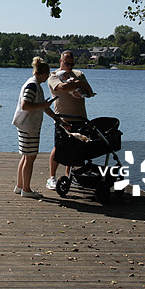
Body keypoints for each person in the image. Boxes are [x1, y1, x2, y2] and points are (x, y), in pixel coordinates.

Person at [46, 50, 96, 190]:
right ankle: (51, 177)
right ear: (61, 61)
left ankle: (69, 176)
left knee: (75, 148)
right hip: (63, 119)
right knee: (59, 147)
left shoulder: (79, 74)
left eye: (72, 64)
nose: (69, 66)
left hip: (80, 118)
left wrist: (80, 83)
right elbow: (62, 88)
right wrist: (78, 85)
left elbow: (89, 92)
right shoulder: (53, 76)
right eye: (67, 63)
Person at [12, 57, 58, 199]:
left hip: (25, 125)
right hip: (28, 126)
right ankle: (26, 189)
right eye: (48, 74)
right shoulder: (32, 85)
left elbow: (41, 106)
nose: (48, 77)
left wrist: (56, 117)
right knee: (30, 158)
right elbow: (25, 105)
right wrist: (42, 106)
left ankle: (20, 186)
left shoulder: (35, 85)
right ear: (43, 73)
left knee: (26, 157)